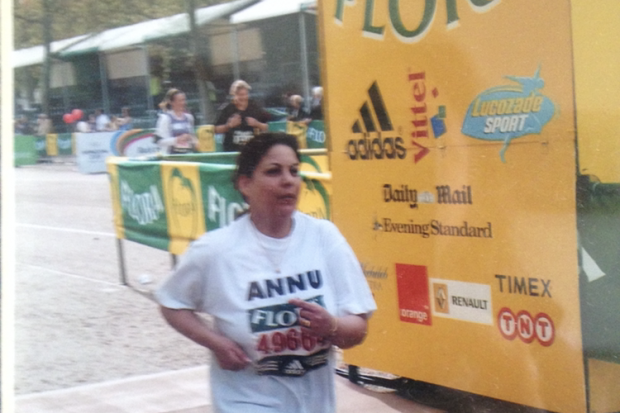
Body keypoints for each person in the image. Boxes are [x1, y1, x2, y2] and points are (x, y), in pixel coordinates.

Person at [156, 133, 376, 413]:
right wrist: (216, 343)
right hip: (246, 400)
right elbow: (172, 303)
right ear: (245, 184)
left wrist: (331, 326)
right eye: (274, 171)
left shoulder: (324, 237)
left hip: (314, 403)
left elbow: (358, 330)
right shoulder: (217, 249)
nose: (288, 180)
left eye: (294, 171)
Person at [214, 80, 271, 152]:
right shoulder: (227, 109)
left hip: (252, 151)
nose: (243, 97)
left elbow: (271, 126)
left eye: (245, 94)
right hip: (232, 151)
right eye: (240, 95)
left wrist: (257, 124)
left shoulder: (255, 107)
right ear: (233, 95)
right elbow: (215, 130)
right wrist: (228, 126)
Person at [154, 88, 198, 154]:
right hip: (171, 157)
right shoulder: (165, 118)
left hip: (187, 156)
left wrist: (193, 140)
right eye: (179, 101)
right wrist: (177, 140)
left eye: (184, 100)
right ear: (172, 102)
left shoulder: (189, 117)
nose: (183, 103)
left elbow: (191, 136)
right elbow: (159, 141)